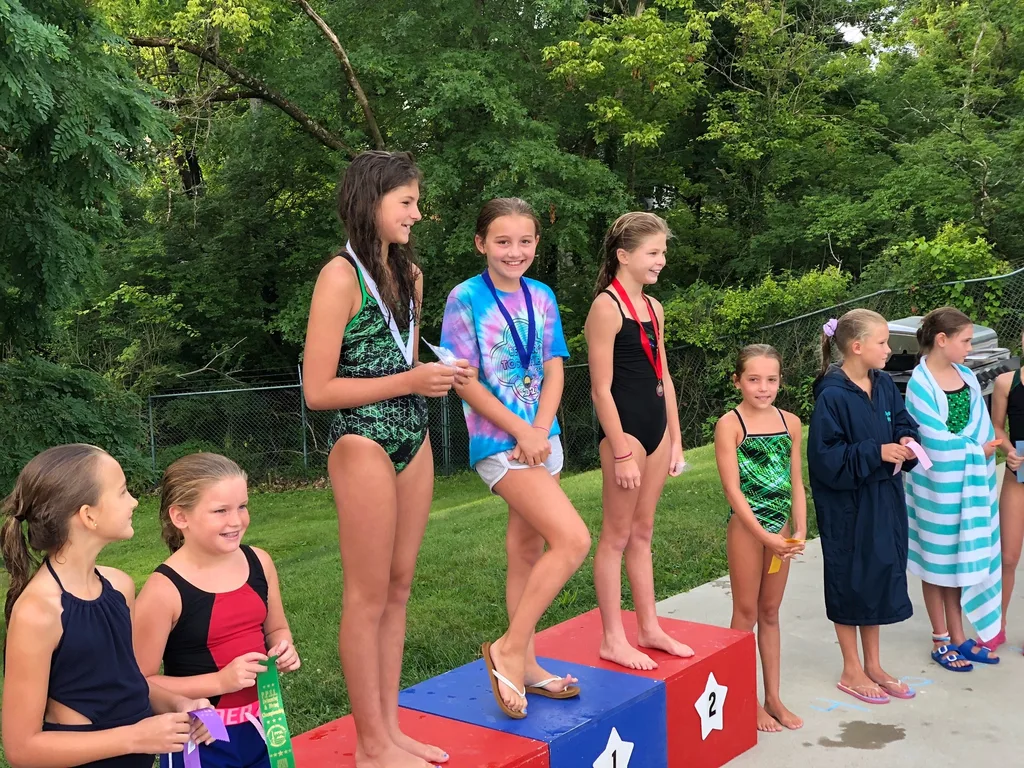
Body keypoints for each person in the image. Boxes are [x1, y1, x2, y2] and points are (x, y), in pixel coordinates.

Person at [302, 150, 468, 768]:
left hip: (413, 436)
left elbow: (404, 361)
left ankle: (391, 730)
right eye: (407, 203)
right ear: (372, 201)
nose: (417, 214)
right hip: (362, 441)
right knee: (366, 596)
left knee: (399, 589)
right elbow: (318, 391)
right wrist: (410, 382)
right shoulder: (338, 277)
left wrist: (436, 375)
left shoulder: (413, 277)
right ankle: (369, 746)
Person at [441, 197, 591, 719]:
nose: (515, 251)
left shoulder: (543, 295)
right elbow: (465, 381)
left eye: (525, 241)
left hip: (541, 439)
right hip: (500, 442)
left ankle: (525, 664)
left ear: (536, 244)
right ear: (481, 243)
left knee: (525, 550)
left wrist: (541, 430)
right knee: (573, 540)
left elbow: (554, 367)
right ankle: (508, 648)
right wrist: (521, 432)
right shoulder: (464, 299)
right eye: (502, 241)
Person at [1, 444, 213, 768]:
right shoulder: (38, 613)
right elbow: (21, 749)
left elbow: (127, 683)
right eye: (122, 492)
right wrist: (135, 737)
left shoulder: (119, 587)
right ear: (89, 515)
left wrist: (179, 704)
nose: (134, 501)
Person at [133, 453, 301, 768]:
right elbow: (139, 681)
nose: (236, 521)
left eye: (242, 506)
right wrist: (220, 682)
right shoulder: (163, 591)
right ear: (181, 517)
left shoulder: (259, 562)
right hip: (201, 737)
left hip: (264, 726)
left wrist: (284, 646)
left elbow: (276, 629)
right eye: (220, 511)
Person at [584, 211, 693, 672]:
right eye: (653, 252)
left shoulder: (653, 307)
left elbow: (662, 373)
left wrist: (676, 438)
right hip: (625, 434)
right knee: (615, 536)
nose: (661, 260)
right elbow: (600, 388)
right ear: (623, 256)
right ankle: (613, 637)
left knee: (643, 532)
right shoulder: (605, 308)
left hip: (657, 430)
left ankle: (648, 626)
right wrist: (623, 450)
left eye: (663, 252)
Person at [808, 309, 919, 704]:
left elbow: (903, 422)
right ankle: (851, 667)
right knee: (849, 576)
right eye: (883, 342)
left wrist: (906, 441)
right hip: (847, 507)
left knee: (877, 572)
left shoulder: (885, 384)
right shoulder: (832, 396)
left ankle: (873, 663)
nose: (889, 349)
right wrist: (875, 452)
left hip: (884, 499)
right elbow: (825, 458)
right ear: (857, 347)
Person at [904, 306, 1002, 670]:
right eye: (966, 341)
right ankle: (940, 638)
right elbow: (930, 439)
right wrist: (975, 450)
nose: (970, 347)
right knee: (937, 563)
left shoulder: (967, 377)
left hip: (970, 487)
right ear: (942, 340)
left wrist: (979, 448)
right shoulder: (920, 384)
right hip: (936, 491)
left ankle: (960, 636)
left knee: (960, 561)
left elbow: (981, 425)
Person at [714, 345, 806, 731]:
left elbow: (796, 481)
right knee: (746, 613)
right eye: (753, 379)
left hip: (780, 530)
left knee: (770, 612)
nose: (763, 387)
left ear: (780, 381)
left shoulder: (791, 422)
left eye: (771, 379)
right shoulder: (731, 424)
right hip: (748, 531)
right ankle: (745, 696)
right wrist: (763, 536)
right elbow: (733, 491)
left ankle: (774, 697)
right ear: (738, 381)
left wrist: (799, 529)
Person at [988, 335, 1024, 651]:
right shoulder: (1005, 381)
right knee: (1008, 557)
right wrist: (1009, 451)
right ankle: (996, 626)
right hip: (1018, 476)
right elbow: (996, 427)